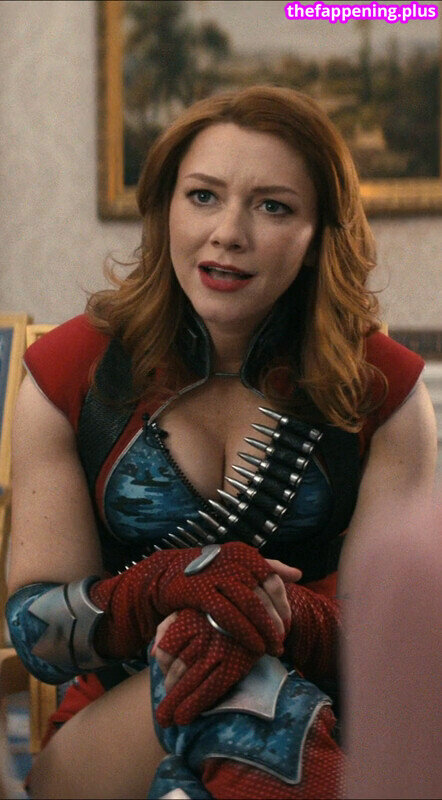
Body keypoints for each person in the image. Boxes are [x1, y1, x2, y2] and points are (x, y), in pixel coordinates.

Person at [5, 86, 437, 799]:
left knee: (235, 675)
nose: (229, 233)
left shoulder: (384, 390)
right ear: (165, 209)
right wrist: (164, 588)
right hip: (113, 728)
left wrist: (282, 616)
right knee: (229, 673)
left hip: (332, 719)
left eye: (274, 207)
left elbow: (392, 650)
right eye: (203, 196)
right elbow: (39, 639)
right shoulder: (69, 371)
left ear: (318, 235)